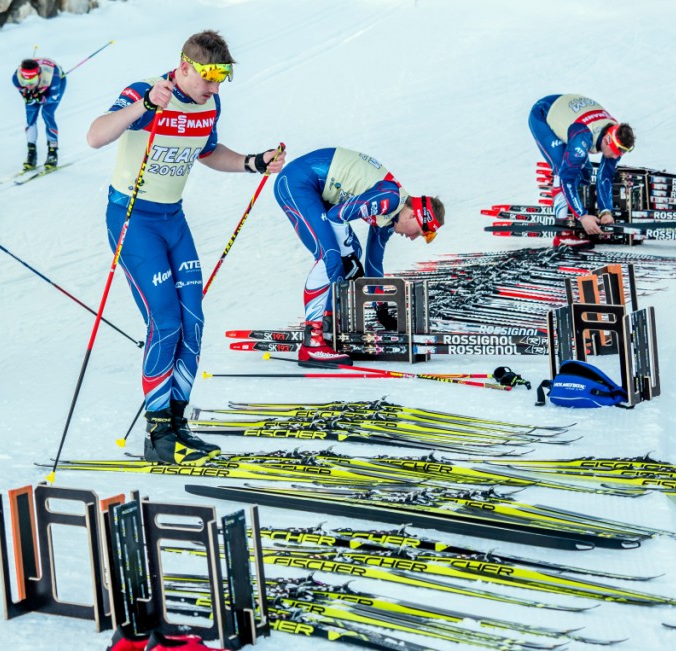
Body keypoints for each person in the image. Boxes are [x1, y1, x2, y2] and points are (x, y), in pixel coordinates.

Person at [86, 30, 285, 466]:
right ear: (184, 68)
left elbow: (207, 151)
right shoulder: (148, 92)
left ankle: (178, 424)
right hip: (132, 217)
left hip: (172, 219)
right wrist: (145, 106)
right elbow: (96, 136)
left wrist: (254, 162)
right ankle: (156, 434)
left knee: (193, 320)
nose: (215, 88)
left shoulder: (210, 103)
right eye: (209, 78)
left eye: (221, 79)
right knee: (166, 320)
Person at [273, 147, 445, 365]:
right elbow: (337, 216)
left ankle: (326, 327)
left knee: (353, 255)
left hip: (315, 190)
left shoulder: (389, 217)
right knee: (333, 258)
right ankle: (313, 343)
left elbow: (373, 264)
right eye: (419, 233)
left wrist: (381, 309)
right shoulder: (389, 200)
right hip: (298, 183)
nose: (413, 238)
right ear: (413, 215)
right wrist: (348, 257)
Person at [528, 94, 635, 245]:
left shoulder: (616, 135)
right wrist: (582, 216)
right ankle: (562, 233)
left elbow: (605, 176)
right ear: (606, 139)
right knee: (564, 170)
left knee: (586, 172)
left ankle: (574, 210)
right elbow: (567, 178)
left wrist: (606, 212)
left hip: (568, 111)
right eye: (617, 151)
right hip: (543, 115)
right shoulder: (583, 137)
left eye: (622, 152)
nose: (618, 155)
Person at [12, 58, 66, 171]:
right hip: (42, 86)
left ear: (39, 76)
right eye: (25, 82)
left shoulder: (53, 77)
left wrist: (40, 98)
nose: (28, 85)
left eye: (31, 82)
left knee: (47, 113)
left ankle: (52, 153)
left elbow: (53, 97)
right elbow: (25, 93)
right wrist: (29, 96)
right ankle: (31, 152)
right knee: (30, 116)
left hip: (54, 84)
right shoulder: (16, 78)